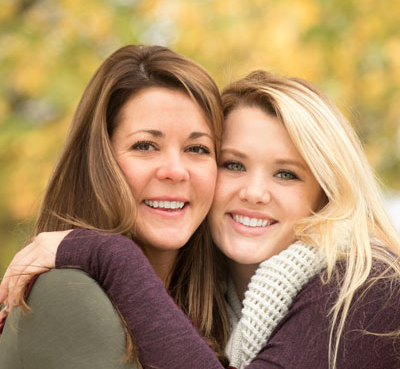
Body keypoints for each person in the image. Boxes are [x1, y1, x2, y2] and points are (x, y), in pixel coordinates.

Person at [2, 70, 400, 368]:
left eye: (286, 174)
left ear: (325, 194)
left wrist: (107, 253)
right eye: (233, 164)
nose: (254, 193)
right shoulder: (212, 306)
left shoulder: (366, 288)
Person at [0, 44, 230, 368]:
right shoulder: (67, 292)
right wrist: (113, 255)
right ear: (99, 160)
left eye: (198, 148)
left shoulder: (210, 309)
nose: (176, 171)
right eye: (146, 145)